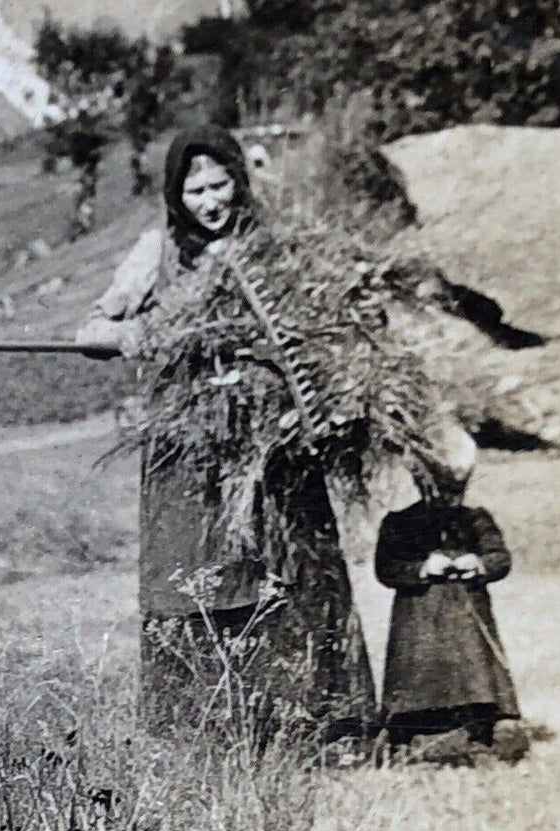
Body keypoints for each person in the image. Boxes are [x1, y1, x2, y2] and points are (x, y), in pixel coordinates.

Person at [77, 125, 375, 734]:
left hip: (274, 439)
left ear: (240, 180)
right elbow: (91, 330)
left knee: (292, 565)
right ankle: (204, 726)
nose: (211, 202)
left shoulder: (273, 248)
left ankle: (318, 722)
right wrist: (127, 334)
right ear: (174, 196)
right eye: (196, 192)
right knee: (201, 568)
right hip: (189, 444)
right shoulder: (155, 252)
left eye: (221, 185)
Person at [374, 476, 526, 761]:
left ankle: (479, 737)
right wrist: (422, 568)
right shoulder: (400, 522)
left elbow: (501, 558)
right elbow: (386, 568)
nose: (450, 498)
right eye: (443, 490)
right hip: (418, 620)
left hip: (466, 616)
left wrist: (479, 563)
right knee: (418, 676)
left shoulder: (476, 520)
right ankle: (411, 740)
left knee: (476, 675)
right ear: (423, 486)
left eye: (456, 491)